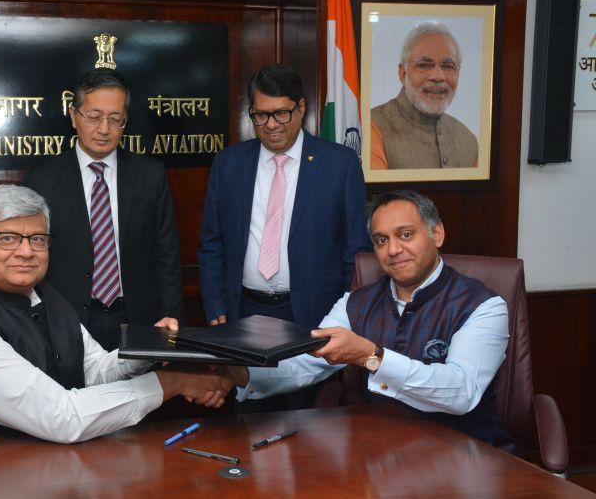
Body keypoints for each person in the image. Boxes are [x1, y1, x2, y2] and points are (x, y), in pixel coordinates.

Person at [0, 185, 231, 497]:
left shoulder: (45, 296)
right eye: (7, 238)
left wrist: (150, 347)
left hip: (42, 474)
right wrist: (171, 382)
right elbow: (64, 417)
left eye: (37, 239)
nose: (26, 252)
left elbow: (96, 371)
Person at [225, 190, 512, 447]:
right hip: (378, 455)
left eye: (406, 235)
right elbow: (306, 362)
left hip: (464, 458)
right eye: (381, 240)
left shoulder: (483, 306)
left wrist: (371, 357)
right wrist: (242, 375)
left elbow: (461, 392)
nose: (393, 250)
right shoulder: (355, 303)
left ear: (436, 234)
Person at [198, 64, 370, 410]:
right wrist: (215, 305)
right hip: (244, 312)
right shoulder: (230, 163)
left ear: (301, 108)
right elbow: (212, 243)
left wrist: (347, 315)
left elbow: (356, 252)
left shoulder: (338, 164)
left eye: (281, 113)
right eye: (261, 115)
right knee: (248, 416)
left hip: (310, 315)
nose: (272, 125)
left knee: (306, 423)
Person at [24, 68, 183, 351]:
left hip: (138, 319)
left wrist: (171, 317)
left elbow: (166, 253)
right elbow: (31, 257)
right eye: (94, 117)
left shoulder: (150, 175)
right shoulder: (42, 180)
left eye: (115, 119)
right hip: (66, 320)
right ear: (74, 116)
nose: (104, 129)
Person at [370, 22, 478, 170]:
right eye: (424, 65)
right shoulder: (373, 127)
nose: (438, 76)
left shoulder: (468, 140)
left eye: (448, 66)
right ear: (403, 73)